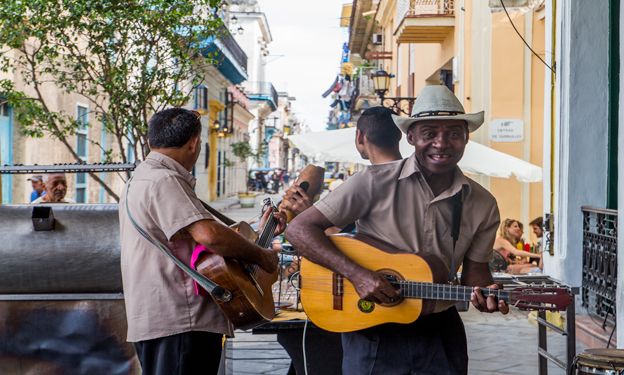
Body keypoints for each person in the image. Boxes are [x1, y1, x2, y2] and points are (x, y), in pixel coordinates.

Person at [286, 85, 508, 375]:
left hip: (440, 332)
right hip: (372, 328)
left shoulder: (483, 203)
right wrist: (358, 276)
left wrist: (488, 296)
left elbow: (475, 275)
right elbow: (299, 230)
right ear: (411, 137)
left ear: (466, 137)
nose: (441, 143)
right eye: (430, 133)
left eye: (454, 133)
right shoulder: (373, 182)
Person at [118, 108, 285, 375]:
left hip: (162, 316)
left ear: (151, 141)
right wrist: (261, 256)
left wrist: (260, 229)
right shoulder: (165, 179)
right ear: (194, 143)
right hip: (180, 319)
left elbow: (197, 232)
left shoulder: (142, 177)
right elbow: (209, 236)